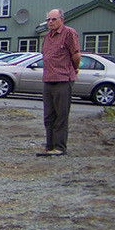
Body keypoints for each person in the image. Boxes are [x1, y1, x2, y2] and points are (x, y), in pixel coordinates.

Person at [37, 9, 81, 156]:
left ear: (61, 20)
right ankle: (49, 146)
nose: (50, 22)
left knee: (61, 115)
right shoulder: (47, 36)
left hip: (63, 79)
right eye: (48, 19)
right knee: (48, 116)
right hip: (48, 80)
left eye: (53, 19)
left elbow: (76, 54)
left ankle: (60, 147)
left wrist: (74, 69)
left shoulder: (69, 33)